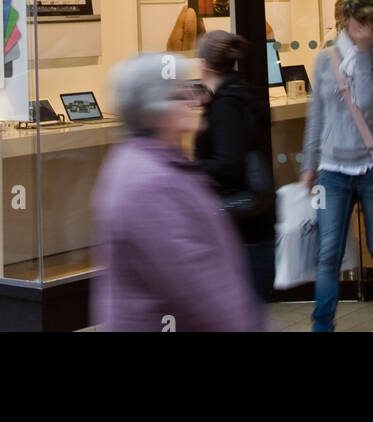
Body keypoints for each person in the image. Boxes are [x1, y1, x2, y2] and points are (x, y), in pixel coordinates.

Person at [91, 52, 263, 332]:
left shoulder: (151, 165)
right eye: (181, 93)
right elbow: (199, 288)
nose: (197, 99)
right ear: (154, 109)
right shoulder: (150, 184)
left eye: (193, 88)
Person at [299, 0, 373, 332]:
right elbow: (316, 114)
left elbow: (368, 102)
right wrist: (308, 164)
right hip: (332, 170)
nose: (370, 28)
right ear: (345, 20)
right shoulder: (325, 59)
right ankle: (322, 325)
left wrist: (360, 53)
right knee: (328, 252)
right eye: (362, 20)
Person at [195, 30, 274, 302]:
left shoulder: (226, 105)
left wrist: (191, 169)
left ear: (203, 64)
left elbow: (228, 164)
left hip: (241, 228)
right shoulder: (244, 94)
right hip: (255, 226)